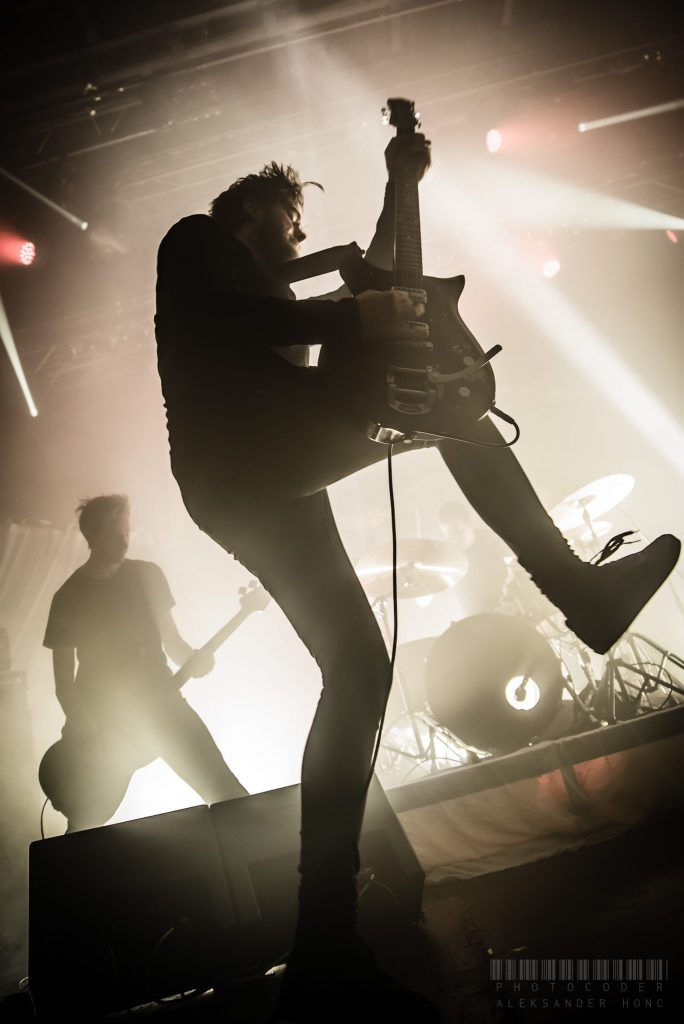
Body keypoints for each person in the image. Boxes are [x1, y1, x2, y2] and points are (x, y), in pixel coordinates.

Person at [154, 136, 680, 1021]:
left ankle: (324, 943)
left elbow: (375, 280)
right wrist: (354, 320)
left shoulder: (278, 288)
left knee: (360, 671)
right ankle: (576, 589)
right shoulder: (196, 240)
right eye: (290, 219)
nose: (297, 236)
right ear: (249, 209)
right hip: (241, 458)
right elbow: (237, 324)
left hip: (267, 477)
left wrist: (401, 184)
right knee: (451, 407)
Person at [42, 494, 248, 833]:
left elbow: (173, 643)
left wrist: (195, 662)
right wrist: (92, 733)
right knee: (85, 823)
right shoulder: (68, 597)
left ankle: (259, 850)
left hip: (163, 706)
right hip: (102, 720)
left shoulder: (147, 575)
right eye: (114, 533)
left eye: (126, 531)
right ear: (91, 535)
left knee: (226, 792)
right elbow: (64, 685)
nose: (123, 540)